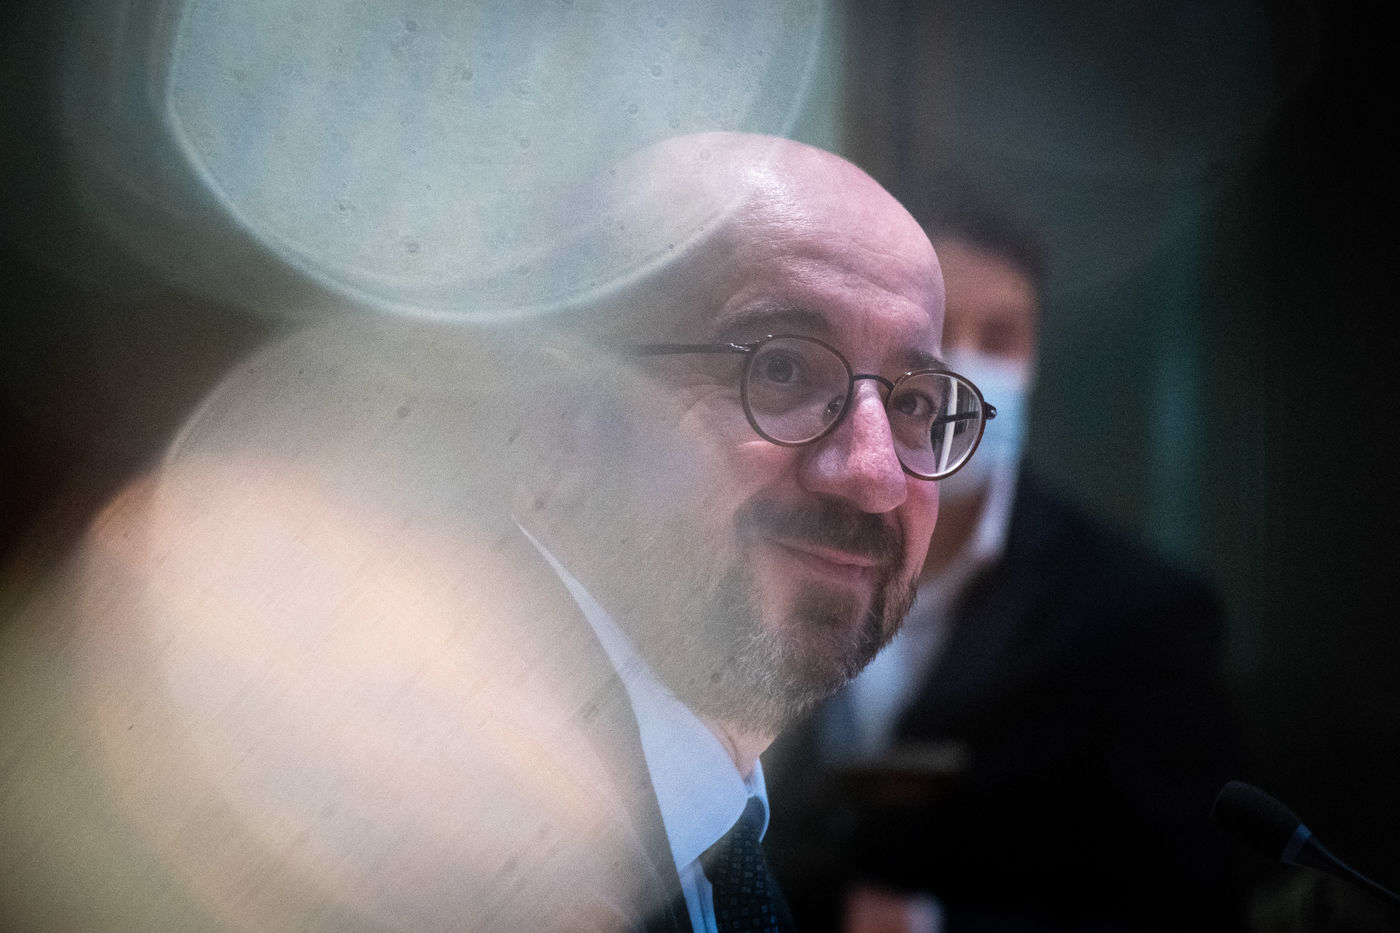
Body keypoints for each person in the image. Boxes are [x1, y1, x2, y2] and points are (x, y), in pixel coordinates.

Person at [26, 131, 995, 933]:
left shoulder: (707, 820)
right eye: (780, 370)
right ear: (555, 411)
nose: (873, 473)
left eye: (914, 401)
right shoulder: (409, 823)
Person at [763, 198, 1244, 932]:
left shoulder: (1138, 611)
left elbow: (1191, 903)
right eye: (934, 334)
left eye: (1001, 338)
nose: (965, 366)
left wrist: (928, 926)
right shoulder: (784, 536)